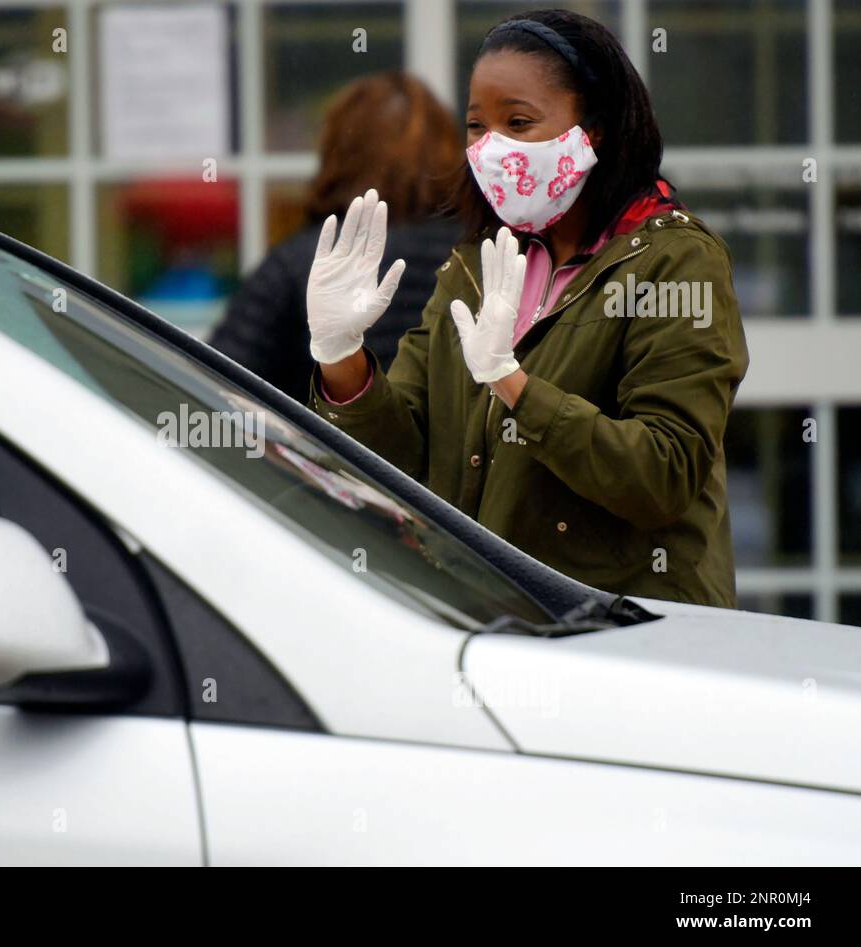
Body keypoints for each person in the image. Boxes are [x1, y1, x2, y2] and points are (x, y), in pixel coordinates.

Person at [306, 10, 749, 608]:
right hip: (492, 625)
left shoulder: (675, 260)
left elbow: (664, 476)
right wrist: (342, 361)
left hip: (626, 637)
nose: (492, 150)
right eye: (475, 127)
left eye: (519, 122)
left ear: (594, 129)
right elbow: (407, 458)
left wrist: (515, 385)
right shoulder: (478, 259)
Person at [209, 71, 460, 403]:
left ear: (338, 152)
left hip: (328, 450)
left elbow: (215, 385)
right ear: (447, 151)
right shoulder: (479, 252)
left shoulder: (296, 262)